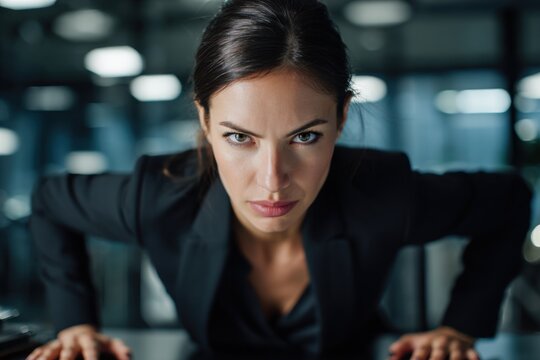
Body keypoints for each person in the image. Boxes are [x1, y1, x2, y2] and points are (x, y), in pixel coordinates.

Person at [27, 0, 533, 359]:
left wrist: (459, 326)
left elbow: (510, 200)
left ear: (340, 117)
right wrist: (76, 323)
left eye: (306, 137)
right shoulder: (156, 194)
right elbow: (50, 201)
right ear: (205, 122)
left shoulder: (383, 194)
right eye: (240, 138)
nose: (273, 180)